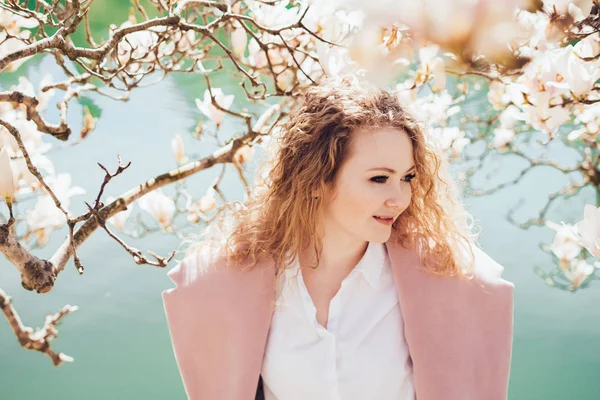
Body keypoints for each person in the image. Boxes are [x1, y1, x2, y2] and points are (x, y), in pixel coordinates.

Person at [161, 75, 514, 400]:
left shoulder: (454, 278)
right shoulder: (228, 278)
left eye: (407, 177)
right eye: (379, 179)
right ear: (317, 181)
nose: (400, 198)